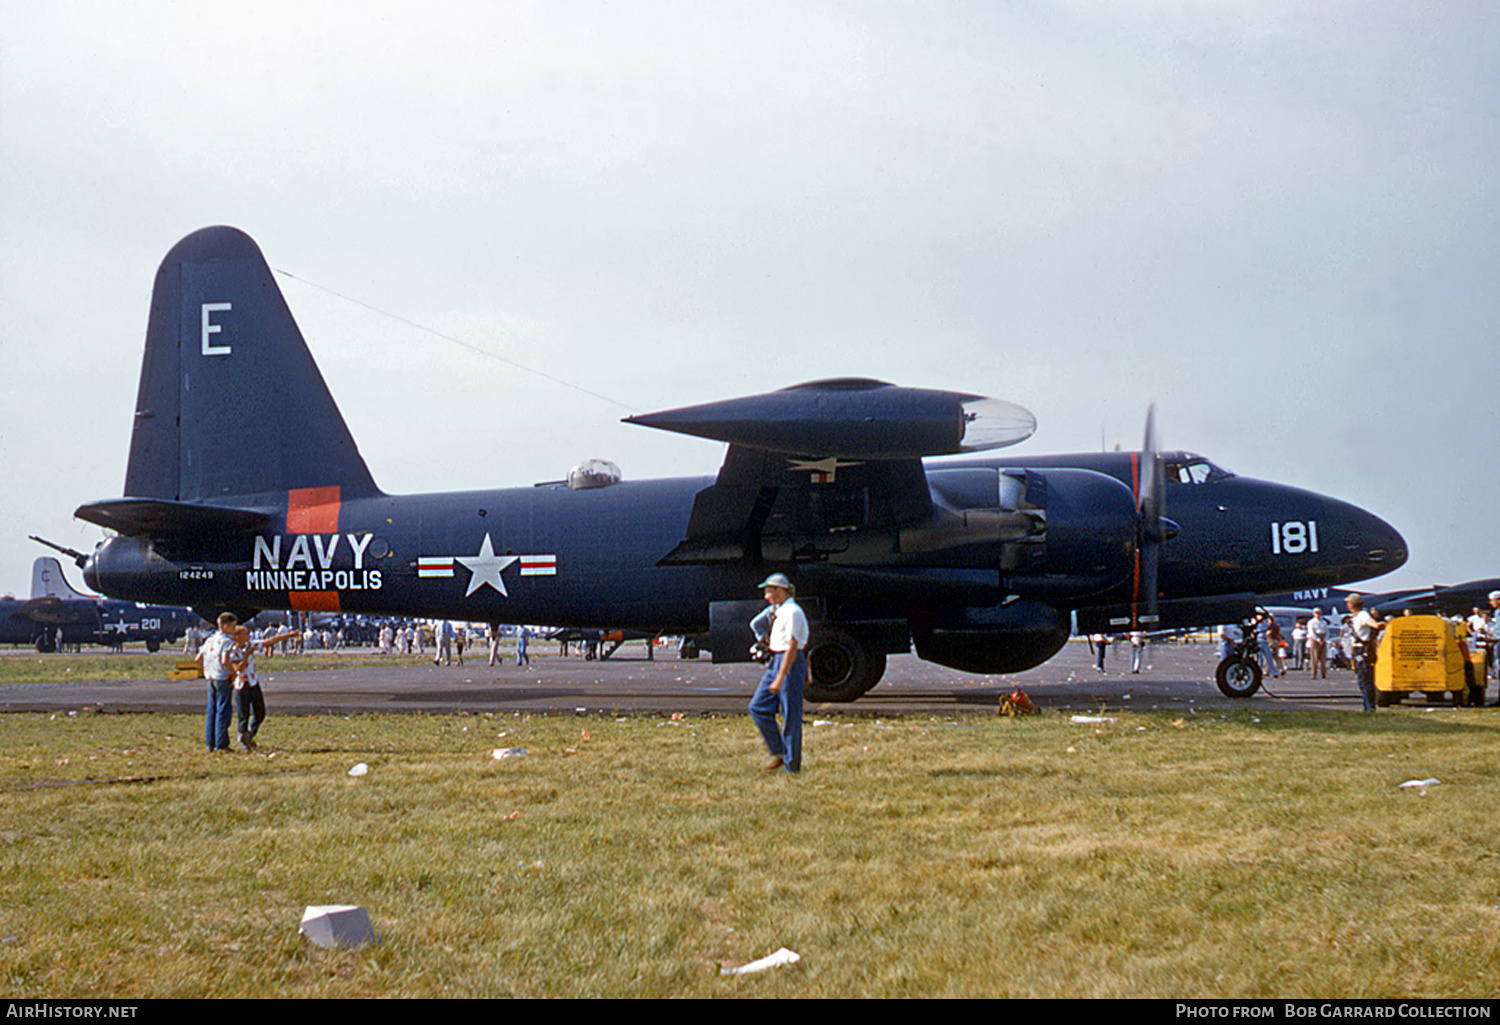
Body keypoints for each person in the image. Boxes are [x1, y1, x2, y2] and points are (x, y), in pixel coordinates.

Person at [748, 573, 808, 774]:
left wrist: (780, 676)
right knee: (757, 707)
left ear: (780, 591)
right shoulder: (779, 611)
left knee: (791, 716)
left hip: (788, 662)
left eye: (768, 591)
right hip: (777, 660)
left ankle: (792, 767)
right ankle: (780, 752)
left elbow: (793, 646)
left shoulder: (793, 612)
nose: (766, 596)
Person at [230, 625, 299, 750]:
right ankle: (244, 741)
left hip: (253, 683)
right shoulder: (233, 651)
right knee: (243, 714)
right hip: (242, 685)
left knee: (260, 712)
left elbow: (269, 641)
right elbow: (239, 667)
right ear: (237, 637)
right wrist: (247, 655)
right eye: (245, 633)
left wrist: (289, 635)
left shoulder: (250, 645)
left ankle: (250, 734)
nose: (248, 635)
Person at [196, 613, 238, 752]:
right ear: (225, 626)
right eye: (233, 626)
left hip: (211, 677)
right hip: (222, 677)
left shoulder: (210, 639)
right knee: (223, 710)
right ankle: (221, 743)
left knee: (211, 710)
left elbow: (198, 658)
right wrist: (233, 672)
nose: (234, 629)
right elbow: (225, 660)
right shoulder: (227, 641)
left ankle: (210, 743)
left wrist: (205, 671)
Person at [1345, 594, 1385, 711]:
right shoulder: (1355, 617)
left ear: (1351, 605)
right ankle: (1367, 705)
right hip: (1357, 650)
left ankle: (1369, 707)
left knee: (1365, 678)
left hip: (1363, 650)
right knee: (1362, 679)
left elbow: (1369, 621)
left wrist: (1377, 625)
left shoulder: (1363, 615)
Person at [1306, 608, 1329, 679]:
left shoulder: (1323, 622)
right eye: (1316, 613)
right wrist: (1318, 640)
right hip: (1315, 638)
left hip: (1323, 637)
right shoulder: (1311, 622)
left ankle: (1323, 673)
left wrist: (1324, 639)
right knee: (1314, 657)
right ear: (1313, 614)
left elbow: (1327, 631)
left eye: (1319, 613)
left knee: (1323, 657)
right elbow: (1311, 632)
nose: (1317, 614)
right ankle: (1314, 673)